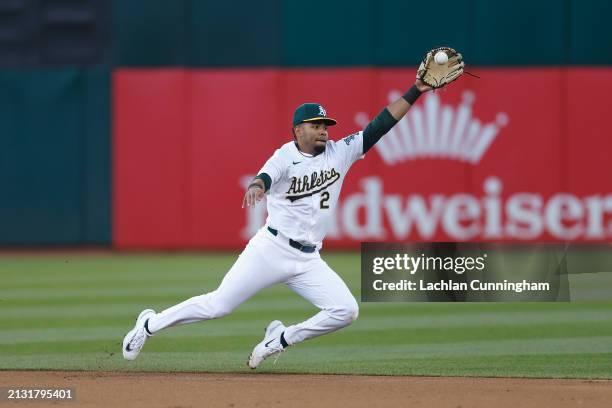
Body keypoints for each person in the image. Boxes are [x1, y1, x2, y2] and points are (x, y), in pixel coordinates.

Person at [122, 69, 462, 368]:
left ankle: (280, 339)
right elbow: (266, 176)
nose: (324, 130)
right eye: (316, 125)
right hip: (270, 249)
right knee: (218, 305)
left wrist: (416, 90)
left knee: (346, 311)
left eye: (326, 125)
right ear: (298, 129)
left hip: (308, 258)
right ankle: (149, 324)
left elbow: (381, 125)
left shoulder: (340, 152)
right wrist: (258, 185)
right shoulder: (284, 155)